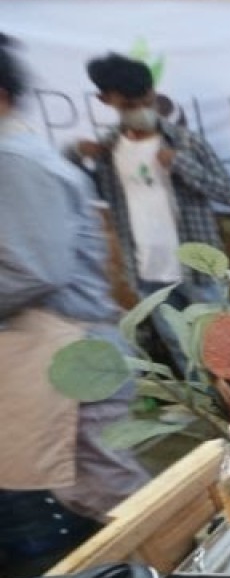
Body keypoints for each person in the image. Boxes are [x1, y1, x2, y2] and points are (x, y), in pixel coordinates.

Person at [0, 34, 150, 541]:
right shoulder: (92, 149)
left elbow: (35, 269)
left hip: (75, 353)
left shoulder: (15, 162)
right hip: (123, 283)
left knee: (110, 491)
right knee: (89, 486)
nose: (122, 111)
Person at [71, 53, 230, 374]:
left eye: (145, 99)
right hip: (147, 270)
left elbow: (228, 192)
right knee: (181, 349)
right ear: (106, 100)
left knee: (229, 345)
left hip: (198, 267)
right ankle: (209, 418)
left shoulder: (186, 143)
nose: (141, 109)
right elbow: (96, 193)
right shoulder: (108, 149)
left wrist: (180, 163)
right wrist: (76, 155)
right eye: (129, 105)